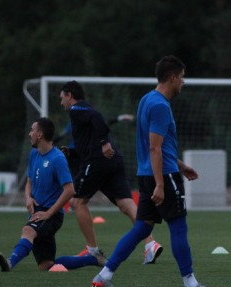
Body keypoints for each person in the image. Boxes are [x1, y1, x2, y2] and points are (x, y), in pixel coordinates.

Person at [91, 55, 218, 287]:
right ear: (172, 78)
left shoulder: (146, 100)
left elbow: (159, 145)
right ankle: (190, 283)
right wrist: (161, 183)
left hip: (148, 174)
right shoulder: (160, 105)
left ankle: (104, 275)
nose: (183, 82)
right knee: (178, 226)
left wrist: (181, 165)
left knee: (142, 228)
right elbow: (155, 147)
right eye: (181, 77)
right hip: (162, 176)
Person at [59, 81, 163, 264]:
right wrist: (73, 152)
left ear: (69, 95)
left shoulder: (77, 110)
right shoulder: (83, 111)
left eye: (62, 98)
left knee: (77, 202)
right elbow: (89, 140)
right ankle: (150, 244)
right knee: (126, 203)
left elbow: (98, 118)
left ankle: (93, 251)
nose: (61, 103)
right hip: (112, 161)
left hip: (98, 161)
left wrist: (104, 142)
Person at [0, 118, 106, 272]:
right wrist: (28, 197)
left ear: (40, 134)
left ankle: (9, 263)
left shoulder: (57, 159)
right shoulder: (33, 154)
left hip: (51, 214)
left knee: (28, 231)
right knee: (47, 265)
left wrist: (48, 213)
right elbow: (29, 181)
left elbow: (70, 190)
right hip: (38, 212)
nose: (29, 134)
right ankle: (94, 259)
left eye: (32, 130)